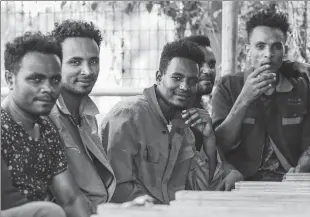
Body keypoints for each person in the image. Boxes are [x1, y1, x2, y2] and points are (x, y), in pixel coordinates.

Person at [101, 39, 243, 205]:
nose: (184, 87)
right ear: (159, 77)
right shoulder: (127, 117)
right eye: (177, 78)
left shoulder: (183, 129)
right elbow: (116, 187)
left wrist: (209, 138)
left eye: (192, 81)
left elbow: (200, 188)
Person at [212, 10, 310, 181]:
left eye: (276, 46)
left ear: (284, 50)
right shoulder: (227, 87)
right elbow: (220, 144)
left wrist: (300, 169)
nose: (269, 54)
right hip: (241, 180)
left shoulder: (300, 88)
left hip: (288, 181)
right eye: (260, 46)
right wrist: (244, 99)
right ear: (248, 50)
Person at [1, 32, 89, 217]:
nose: (48, 89)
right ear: (10, 79)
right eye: (36, 79)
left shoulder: (46, 129)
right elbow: (6, 202)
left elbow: (71, 198)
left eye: (55, 80)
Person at [48, 20, 116, 213]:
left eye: (93, 61)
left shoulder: (88, 116)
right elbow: (65, 199)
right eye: (75, 62)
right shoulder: (45, 117)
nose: (87, 71)